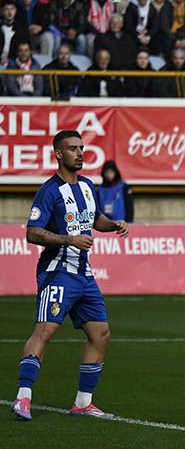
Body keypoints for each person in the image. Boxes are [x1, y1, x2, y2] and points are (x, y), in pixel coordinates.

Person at [11, 130, 129, 422]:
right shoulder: (49, 191)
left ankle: (83, 403)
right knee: (45, 332)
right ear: (59, 154)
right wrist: (68, 239)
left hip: (84, 275)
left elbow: (94, 218)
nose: (80, 153)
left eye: (81, 147)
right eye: (73, 148)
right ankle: (23, 398)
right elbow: (32, 232)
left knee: (100, 333)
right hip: (58, 272)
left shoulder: (88, 186)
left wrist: (113, 223)